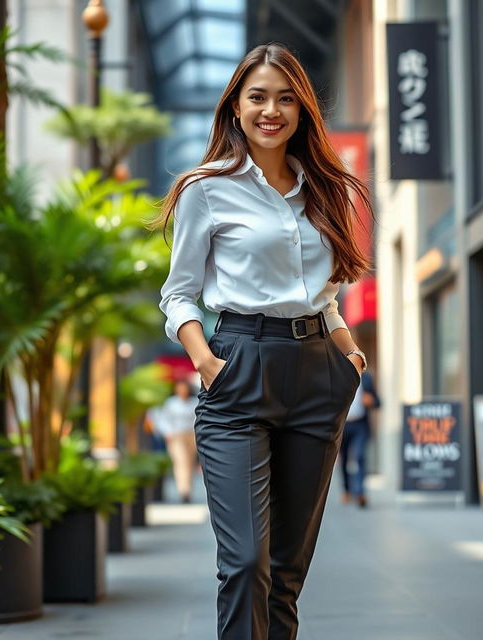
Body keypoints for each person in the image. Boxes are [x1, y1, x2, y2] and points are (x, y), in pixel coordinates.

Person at [156, 43, 371, 640]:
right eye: (257, 97)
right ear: (236, 107)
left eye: (285, 98)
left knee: (287, 573)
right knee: (246, 563)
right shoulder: (207, 188)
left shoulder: (326, 189)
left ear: (302, 109)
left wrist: (350, 355)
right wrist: (207, 361)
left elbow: (324, 293)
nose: (270, 110)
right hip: (239, 368)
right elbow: (179, 293)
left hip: (317, 372)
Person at [150, 380, 198, 503]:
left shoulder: (194, 402)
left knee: (189, 463)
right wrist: (167, 433)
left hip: (191, 436)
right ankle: (184, 490)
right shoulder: (171, 403)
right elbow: (163, 419)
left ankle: (188, 487)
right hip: (176, 436)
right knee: (180, 462)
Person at [339, 370, 380, 508]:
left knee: (359, 456)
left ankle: (361, 493)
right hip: (342, 425)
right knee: (344, 459)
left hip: (360, 425)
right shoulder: (337, 374)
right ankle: (347, 490)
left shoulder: (366, 378)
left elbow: (378, 402)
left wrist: (372, 401)